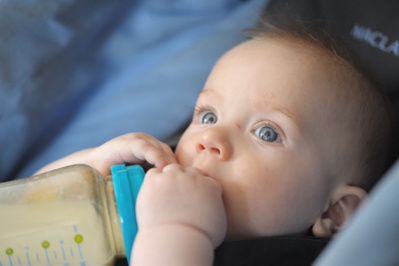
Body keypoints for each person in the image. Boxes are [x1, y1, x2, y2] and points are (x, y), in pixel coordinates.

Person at [35, 10, 396, 266]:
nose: (211, 138)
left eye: (267, 133)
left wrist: (177, 230)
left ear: (335, 212)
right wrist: (90, 166)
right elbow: (26, 211)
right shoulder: (149, 188)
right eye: (208, 116)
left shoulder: (293, 256)